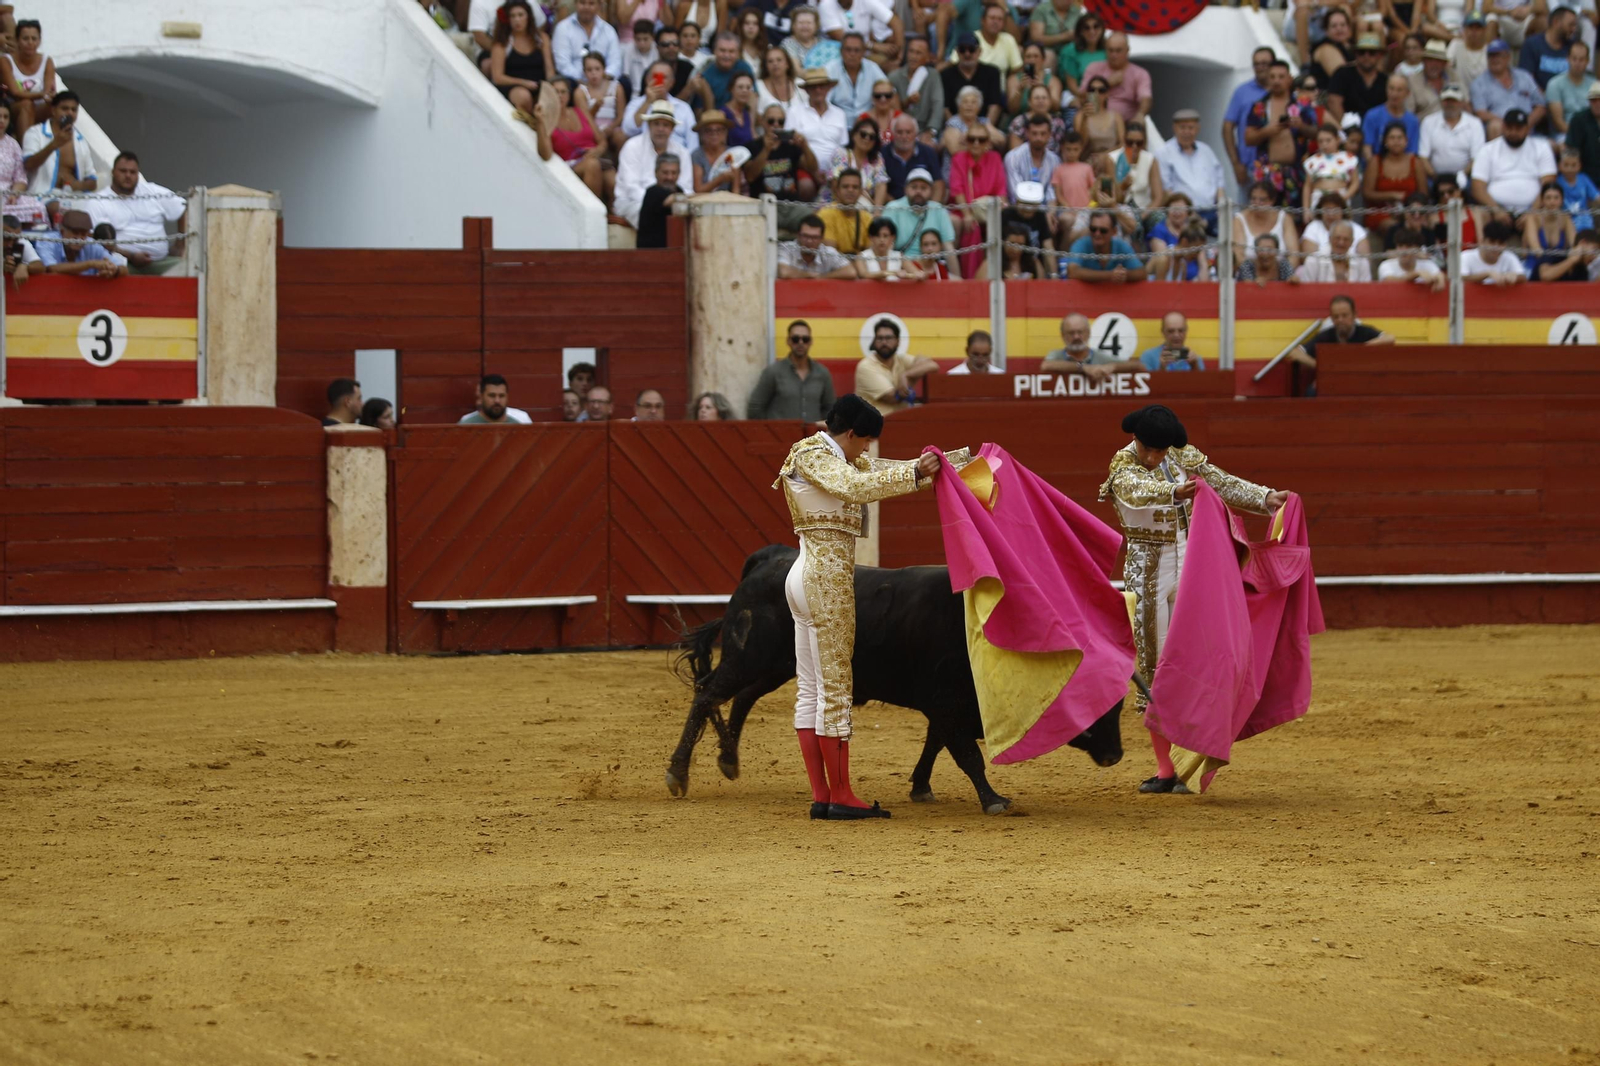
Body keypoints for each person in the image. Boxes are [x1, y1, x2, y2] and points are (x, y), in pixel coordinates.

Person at [774, 394, 963, 820]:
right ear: (853, 433)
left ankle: (824, 795)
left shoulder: (827, 455)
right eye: (865, 442)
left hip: (806, 574)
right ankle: (839, 794)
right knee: (835, 689)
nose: (866, 451)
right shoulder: (813, 453)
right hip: (826, 581)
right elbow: (855, 486)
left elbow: (876, 471)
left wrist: (949, 462)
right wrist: (916, 471)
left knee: (812, 690)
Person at [1099, 405, 1290, 794]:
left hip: (1192, 563)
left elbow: (1220, 481)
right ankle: (1167, 768)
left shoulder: (1180, 454)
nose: (1154, 457)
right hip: (1147, 571)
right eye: (1149, 449)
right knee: (1156, 666)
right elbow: (1134, 489)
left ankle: (1189, 760)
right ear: (1136, 440)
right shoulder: (1122, 463)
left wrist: (1266, 498)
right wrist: (1172, 490)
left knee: (1200, 657)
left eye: (1160, 450)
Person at [86, 152, 187, 275]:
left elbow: (183, 208)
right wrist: (131, 256)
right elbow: (95, 240)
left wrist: (180, 245)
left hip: (160, 262)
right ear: (113, 172)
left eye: (133, 172)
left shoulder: (152, 191)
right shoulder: (99, 201)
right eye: (123, 171)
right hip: (121, 264)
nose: (128, 176)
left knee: (189, 269)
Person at [616, 101, 695, 228]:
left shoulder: (682, 152)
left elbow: (686, 188)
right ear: (648, 125)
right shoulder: (632, 146)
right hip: (632, 202)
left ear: (672, 128)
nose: (660, 129)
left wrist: (670, 203)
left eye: (665, 125)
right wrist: (660, 202)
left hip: (672, 203)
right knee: (652, 215)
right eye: (656, 124)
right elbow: (631, 188)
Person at [1471, 108, 1558, 217]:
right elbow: (1477, 187)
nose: (1513, 132)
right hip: (1495, 210)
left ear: (1527, 129)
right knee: (1480, 214)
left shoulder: (1542, 147)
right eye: (1509, 127)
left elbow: (1548, 184)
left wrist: (1532, 213)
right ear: (1503, 127)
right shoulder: (1488, 149)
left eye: (1518, 128)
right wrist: (1497, 210)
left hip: (1534, 211)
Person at [749, 319, 838, 419]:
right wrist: (770, 431)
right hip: (781, 434)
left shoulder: (822, 373)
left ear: (811, 342)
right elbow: (755, 407)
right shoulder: (773, 372)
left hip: (813, 434)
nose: (800, 343)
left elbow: (830, 408)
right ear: (788, 341)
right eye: (795, 339)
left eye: (805, 339)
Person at [742, 103, 820, 209]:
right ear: (763, 122)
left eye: (781, 122)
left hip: (792, 205)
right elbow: (750, 176)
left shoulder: (790, 146)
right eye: (771, 121)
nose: (776, 124)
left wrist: (805, 147)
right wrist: (766, 150)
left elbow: (813, 168)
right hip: (764, 206)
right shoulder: (751, 146)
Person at [1287, 293, 1396, 369]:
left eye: (1344, 315)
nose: (1340, 320)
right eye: (1336, 317)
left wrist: (1362, 348)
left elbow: (1390, 338)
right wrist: (1320, 367)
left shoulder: (1364, 331)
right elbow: (1295, 353)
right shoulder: (1326, 336)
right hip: (1331, 380)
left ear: (1354, 315)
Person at [855, 317, 939, 413]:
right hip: (874, 426)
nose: (884, 342)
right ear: (874, 341)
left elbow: (933, 366)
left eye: (888, 338)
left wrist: (906, 375)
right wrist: (913, 377)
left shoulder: (900, 359)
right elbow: (893, 398)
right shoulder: (866, 366)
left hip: (899, 423)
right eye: (879, 338)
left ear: (898, 341)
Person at [21, 90, 95, 196]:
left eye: (74, 110)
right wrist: (54, 144)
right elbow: (28, 164)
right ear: (53, 110)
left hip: (74, 197)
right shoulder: (35, 133)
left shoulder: (80, 141)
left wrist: (78, 185)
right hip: (42, 195)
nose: (70, 113)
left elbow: (92, 180)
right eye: (65, 108)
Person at [881, 166, 959, 265]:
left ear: (931, 191)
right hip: (901, 266)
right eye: (914, 187)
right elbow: (886, 246)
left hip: (931, 265)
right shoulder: (893, 208)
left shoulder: (938, 210)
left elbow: (948, 247)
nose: (918, 191)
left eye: (923, 188)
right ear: (906, 189)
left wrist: (956, 278)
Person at [549, 77, 610, 203]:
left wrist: (598, 150)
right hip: (569, 164)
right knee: (592, 165)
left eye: (563, 92)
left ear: (569, 94)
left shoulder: (580, 111)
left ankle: (611, 216)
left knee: (612, 179)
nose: (560, 96)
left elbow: (602, 140)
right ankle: (594, 212)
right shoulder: (547, 119)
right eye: (555, 92)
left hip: (593, 156)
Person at [1155, 109, 1225, 216]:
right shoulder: (1164, 152)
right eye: (1182, 127)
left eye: (1191, 128)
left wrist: (1221, 207)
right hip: (1182, 214)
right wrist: (1187, 213)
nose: (1187, 132)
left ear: (1198, 129)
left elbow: (1219, 182)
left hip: (1211, 211)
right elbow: (1166, 189)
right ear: (1174, 128)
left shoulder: (1206, 150)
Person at [1364, 119, 1429, 236]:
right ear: (1385, 141)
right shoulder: (1376, 161)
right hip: (1381, 212)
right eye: (1392, 138)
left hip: (1411, 212)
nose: (1396, 142)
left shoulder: (1415, 161)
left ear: (1406, 141)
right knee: (1392, 226)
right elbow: (1367, 193)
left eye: (1400, 138)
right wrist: (1391, 195)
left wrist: (1409, 210)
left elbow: (1423, 193)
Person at [1471, 40, 1547, 138]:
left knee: (1553, 146)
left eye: (1498, 55)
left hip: (1528, 129)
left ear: (1508, 57)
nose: (1494, 59)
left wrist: (1526, 124)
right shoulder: (1479, 83)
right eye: (1491, 56)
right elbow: (1480, 112)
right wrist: (1511, 125)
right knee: (1495, 126)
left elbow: (1540, 105)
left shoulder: (1524, 76)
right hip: (1501, 128)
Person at [1223, 48, 1275, 186]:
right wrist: (1236, 164)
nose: (1260, 67)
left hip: (1278, 167)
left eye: (1265, 63)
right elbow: (1227, 127)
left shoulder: (1284, 91)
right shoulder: (1242, 91)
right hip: (1249, 169)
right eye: (1256, 64)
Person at [491, 1, 552, 113]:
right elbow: (498, 77)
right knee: (523, 96)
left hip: (539, 84)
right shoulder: (502, 44)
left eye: (520, 15)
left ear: (528, 17)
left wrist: (550, 88)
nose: (517, 20)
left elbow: (549, 68)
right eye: (512, 16)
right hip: (514, 86)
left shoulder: (541, 38)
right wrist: (523, 83)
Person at [1078, 32, 1150, 127]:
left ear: (1127, 50)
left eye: (1118, 51)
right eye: (1110, 50)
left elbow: (1146, 98)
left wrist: (1140, 115)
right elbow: (1082, 96)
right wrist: (1107, 83)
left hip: (1127, 124)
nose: (1114, 55)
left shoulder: (1139, 73)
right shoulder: (1094, 68)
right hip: (1096, 121)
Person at [1418, 86, 1486, 185]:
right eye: (1446, 101)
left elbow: (1477, 158)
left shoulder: (1475, 123)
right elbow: (1423, 157)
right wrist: (1435, 177)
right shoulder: (1428, 122)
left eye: (1454, 101)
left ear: (1462, 102)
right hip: (1434, 177)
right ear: (1441, 102)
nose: (1450, 104)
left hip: (1466, 177)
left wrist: (1462, 175)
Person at [32, 209, 126, 276]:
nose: (79, 238)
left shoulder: (91, 244)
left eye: (83, 234)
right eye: (75, 233)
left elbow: (123, 268)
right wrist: (90, 264)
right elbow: (51, 268)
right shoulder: (48, 240)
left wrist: (114, 270)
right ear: (62, 232)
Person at [790, 67, 850, 171]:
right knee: (806, 186)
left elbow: (843, 146)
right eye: (813, 87)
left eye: (822, 86)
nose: (818, 90)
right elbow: (790, 147)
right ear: (807, 90)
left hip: (836, 170)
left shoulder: (840, 113)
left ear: (828, 88)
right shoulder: (794, 112)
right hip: (805, 167)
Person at [940, 33, 1005, 129]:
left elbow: (995, 105)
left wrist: (984, 130)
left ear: (979, 52)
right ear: (957, 52)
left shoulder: (992, 73)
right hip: (955, 127)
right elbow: (945, 108)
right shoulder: (946, 75)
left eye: (971, 49)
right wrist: (955, 128)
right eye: (962, 50)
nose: (967, 54)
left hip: (985, 126)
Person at [1, 18, 53, 136]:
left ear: (39, 41)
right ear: (17, 40)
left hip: (39, 108)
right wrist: (41, 95)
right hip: (15, 109)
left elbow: (49, 91)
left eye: (34, 38)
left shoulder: (47, 61)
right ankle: (27, 150)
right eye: (25, 38)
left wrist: (45, 95)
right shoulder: (6, 61)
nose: (30, 42)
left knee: (58, 106)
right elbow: (15, 93)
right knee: (26, 104)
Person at [1064, 208, 1146, 283]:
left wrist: (1122, 275)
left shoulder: (1121, 245)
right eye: (1093, 229)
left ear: (1114, 231)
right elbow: (1072, 272)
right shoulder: (1081, 244)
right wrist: (1110, 275)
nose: (1097, 234)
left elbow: (1141, 273)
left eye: (1103, 230)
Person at [887, 36, 945, 140]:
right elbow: (890, 108)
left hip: (925, 129)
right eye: (911, 51)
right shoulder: (894, 77)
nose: (913, 56)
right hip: (900, 130)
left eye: (918, 53)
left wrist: (931, 131)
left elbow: (938, 104)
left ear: (927, 57)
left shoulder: (933, 76)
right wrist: (907, 102)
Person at [823, 117, 889, 205]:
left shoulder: (877, 159)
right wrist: (863, 196)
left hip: (865, 207)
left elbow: (881, 184)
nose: (867, 139)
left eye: (872, 137)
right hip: (835, 203)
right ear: (854, 135)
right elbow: (836, 184)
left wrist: (877, 210)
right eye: (863, 134)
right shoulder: (841, 153)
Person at [1327, 34, 1390, 124]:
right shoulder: (1342, 74)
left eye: (1371, 52)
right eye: (1361, 52)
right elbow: (1334, 102)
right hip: (1347, 128)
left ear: (1379, 55)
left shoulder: (1385, 80)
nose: (1366, 56)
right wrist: (1346, 128)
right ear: (1355, 54)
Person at [552, 0, 620, 80]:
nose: (586, 7)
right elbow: (563, 64)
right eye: (582, 3)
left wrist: (600, 78)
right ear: (575, 4)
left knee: (624, 83)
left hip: (604, 81)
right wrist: (584, 79)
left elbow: (615, 63)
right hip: (574, 82)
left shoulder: (608, 30)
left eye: (591, 3)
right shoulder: (563, 28)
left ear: (599, 5)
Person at [1041, 312, 1121, 379]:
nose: (1076, 337)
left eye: (1080, 332)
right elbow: (1046, 365)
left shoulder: (1099, 355)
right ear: (1063, 335)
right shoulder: (1056, 355)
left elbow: (1130, 364)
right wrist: (1083, 367)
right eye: (1071, 333)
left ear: (1088, 333)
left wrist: (1113, 366)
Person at [1304, 122, 1364, 213]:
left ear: (1338, 139)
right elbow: (1308, 186)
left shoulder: (1349, 158)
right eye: (1321, 141)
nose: (1324, 144)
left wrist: (1345, 197)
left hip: (1341, 198)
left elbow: (1355, 182)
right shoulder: (1312, 161)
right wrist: (1306, 210)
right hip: (1318, 200)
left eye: (1328, 140)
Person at [1521, 181, 1578, 273]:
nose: (1552, 202)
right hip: (1534, 268)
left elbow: (1574, 245)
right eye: (1548, 198)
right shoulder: (1533, 218)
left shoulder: (1566, 218)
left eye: (1556, 198)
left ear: (1562, 200)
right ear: (1542, 201)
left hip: (1558, 269)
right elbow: (1536, 249)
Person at [778, 213, 858, 277]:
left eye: (814, 237)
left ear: (822, 239)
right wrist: (810, 276)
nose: (809, 241)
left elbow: (851, 272)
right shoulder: (787, 248)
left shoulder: (828, 252)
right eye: (805, 236)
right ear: (798, 235)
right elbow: (784, 272)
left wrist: (822, 278)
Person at [883, 113, 942, 200]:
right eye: (899, 132)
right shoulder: (883, 154)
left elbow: (938, 185)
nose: (904, 136)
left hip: (924, 206)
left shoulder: (928, 153)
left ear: (915, 134)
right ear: (893, 133)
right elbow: (879, 187)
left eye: (908, 132)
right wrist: (895, 206)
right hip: (892, 208)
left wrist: (932, 208)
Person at [1106, 121, 1163, 212]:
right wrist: (1123, 186)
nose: (1134, 146)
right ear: (1124, 140)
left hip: (1145, 209)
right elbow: (1111, 197)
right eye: (1129, 142)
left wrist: (1144, 216)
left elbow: (1158, 197)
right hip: (1120, 210)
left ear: (1144, 143)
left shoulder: (1151, 160)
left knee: (1160, 224)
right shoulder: (1112, 159)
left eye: (1139, 143)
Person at [1519, 6, 1579, 91]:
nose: (1574, 29)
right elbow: (1527, 80)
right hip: (1539, 100)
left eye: (1575, 25)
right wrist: (1548, 99)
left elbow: (1580, 77)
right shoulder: (1532, 44)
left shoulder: (1573, 46)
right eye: (1571, 25)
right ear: (1556, 22)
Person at [1547, 40, 1596, 142]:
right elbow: (1558, 122)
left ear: (1587, 61)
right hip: (1565, 134)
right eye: (1574, 59)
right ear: (1567, 59)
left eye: (1581, 60)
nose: (1577, 63)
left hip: (1593, 133)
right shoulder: (1554, 84)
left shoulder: (1595, 85)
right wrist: (1580, 136)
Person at [576, 51, 626, 152]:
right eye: (589, 70)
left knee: (620, 137)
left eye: (597, 69)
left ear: (604, 69)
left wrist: (611, 128)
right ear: (584, 72)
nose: (594, 73)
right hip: (592, 129)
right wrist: (598, 131)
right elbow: (585, 119)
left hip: (612, 127)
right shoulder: (580, 92)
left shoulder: (616, 87)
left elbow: (621, 115)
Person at [1362, 74, 1422, 156]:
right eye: (1391, 88)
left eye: (1399, 90)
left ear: (1407, 93)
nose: (1394, 94)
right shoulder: (1372, 116)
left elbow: (1412, 152)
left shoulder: (1413, 121)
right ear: (1386, 90)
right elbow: (1367, 148)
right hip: (1376, 164)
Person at [1006, 112, 1062, 200]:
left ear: (1049, 135)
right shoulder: (1013, 157)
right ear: (1027, 133)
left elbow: (1051, 193)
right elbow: (1015, 192)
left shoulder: (1055, 161)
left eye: (1043, 134)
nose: (1038, 138)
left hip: (1045, 211)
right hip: (1018, 208)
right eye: (1034, 133)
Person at [1294, 219, 1372, 281]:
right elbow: (1308, 292)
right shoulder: (1313, 260)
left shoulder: (1362, 262)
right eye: (1337, 238)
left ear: (1352, 242)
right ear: (1329, 238)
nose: (1341, 243)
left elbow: (1366, 292)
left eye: (1346, 239)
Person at [818, 168, 873, 253]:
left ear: (860, 192)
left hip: (860, 264)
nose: (850, 190)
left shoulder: (867, 218)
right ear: (837, 191)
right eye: (845, 186)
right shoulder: (826, 214)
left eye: (855, 187)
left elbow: (871, 254)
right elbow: (831, 255)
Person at [636, 152, 685, 248]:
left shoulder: (679, 190)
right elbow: (670, 200)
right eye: (665, 173)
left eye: (674, 173)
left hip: (673, 250)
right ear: (656, 173)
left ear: (679, 174)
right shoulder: (653, 192)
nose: (669, 177)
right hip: (652, 253)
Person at [1007, 43, 1065, 120]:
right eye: (1028, 56)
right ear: (1023, 59)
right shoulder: (1013, 80)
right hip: (1020, 121)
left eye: (1036, 56)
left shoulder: (1053, 81)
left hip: (1046, 121)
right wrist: (1020, 90)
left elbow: (1056, 107)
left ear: (1043, 59)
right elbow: (1012, 109)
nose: (1032, 60)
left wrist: (1043, 87)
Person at [691, 110, 745, 193]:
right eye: (709, 130)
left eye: (719, 130)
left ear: (725, 133)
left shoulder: (732, 154)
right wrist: (719, 179)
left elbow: (736, 189)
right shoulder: (697, 155)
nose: (714, 134)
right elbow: (698, 190)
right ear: (702, 134)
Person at [1055, 13, 1105, 100]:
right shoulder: (1070, 51)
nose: (1092, 31)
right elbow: (1072, 87)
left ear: (1102, 29)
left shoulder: (1108, 49)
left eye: (1096, 27)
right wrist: (1088, 98)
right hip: (1076, 95)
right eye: (1086, 28)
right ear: (1080, 31)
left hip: (1103, 95)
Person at [857, 216, 926, 278]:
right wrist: (890, 273)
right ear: (871, 237)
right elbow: (863, 275)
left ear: (892, 238)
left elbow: (918, 274)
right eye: (877, 236)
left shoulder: (899, 256)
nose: (882, 240)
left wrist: (909, 276)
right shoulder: (862, 256)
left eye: (885, 236)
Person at [1378, 226, 1446, 287]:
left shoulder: (1428, 264)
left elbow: (1440, 276)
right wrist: (1415, 274)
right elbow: (1389, 281)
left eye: (1409, 246)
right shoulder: (1386, 265)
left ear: (1418, 249)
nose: (1403, 251)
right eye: (1400, 246)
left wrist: (1441, 277)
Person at [1137, 312, 1207, 371]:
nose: (1176, 335)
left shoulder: (1195, 359)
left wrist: (1194, 367)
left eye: (1181, 331)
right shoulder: (1149, 357)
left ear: (1186, 331)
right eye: (1171, 331)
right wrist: (1161, 368)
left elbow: (1201, 386)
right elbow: (1149, 386)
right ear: (1163, 332)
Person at [460, 374, 534, 424]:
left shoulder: (517, 427)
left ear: (507, 397)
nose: (497, 401)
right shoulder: (466, 426)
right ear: (481, 397)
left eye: (501, 396)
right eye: (492, 396)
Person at [1556, 146, 1599, 228]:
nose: (1569, 169)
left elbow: (1596, 197)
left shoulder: (1584, 179)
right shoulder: (1558, 182)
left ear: (1579, 166)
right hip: (1565, 219)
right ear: (1559, 166)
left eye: (1573, 165)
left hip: (1584, 218)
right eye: (1566, 165)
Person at [1410, 39, 1452, 118]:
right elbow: (1408, 114)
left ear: (1444, 63)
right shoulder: (1412, 82)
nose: (1434, 64)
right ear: (1423, 61)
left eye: (1438, 60)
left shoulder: (1453, 77)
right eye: (1430, 60)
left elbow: (1465, 105)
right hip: (1423, 128)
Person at [757, 45, 801, 115]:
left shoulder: (800, 84)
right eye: (770, 61)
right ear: (766, 66)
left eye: (779, 60)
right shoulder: (758, 87)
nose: (775, 64)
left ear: (787, 64)